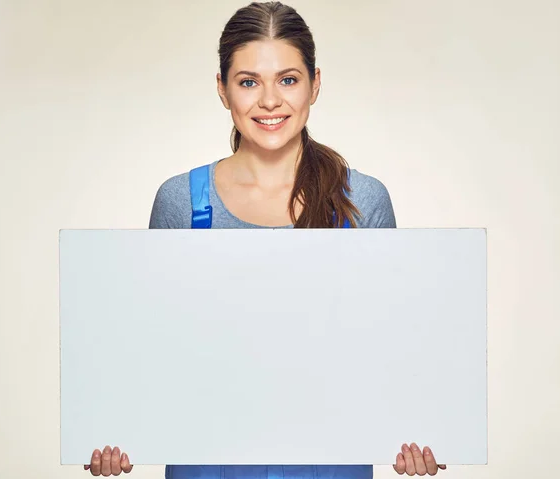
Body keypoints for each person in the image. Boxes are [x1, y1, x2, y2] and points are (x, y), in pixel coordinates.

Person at [84, 1, 448, 477]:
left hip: (330, 463)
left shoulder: (362, 201)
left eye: (289, 80)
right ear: (222, 89)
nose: (270, 101)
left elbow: (392, 349)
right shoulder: (180, 201)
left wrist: (415, 432)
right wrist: (117, 431)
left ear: (315, 84)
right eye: (249, 81)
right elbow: (151, 349)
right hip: (208, 463)